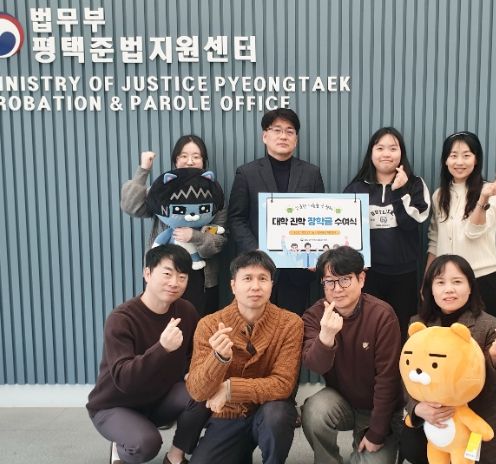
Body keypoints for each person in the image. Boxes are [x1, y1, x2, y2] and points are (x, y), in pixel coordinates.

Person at [183, 251, 303, 464]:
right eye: (247, 278)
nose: (255, 286)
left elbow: (283, 384)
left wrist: (229, 389)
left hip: (267, 413)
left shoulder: (290, 323)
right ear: (233, 285)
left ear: (272, 284)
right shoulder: (209, 324)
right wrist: (218, 359)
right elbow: (197, 391)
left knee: (278, 413)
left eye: (263, 278)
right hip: (227, 417)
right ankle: (239, 457)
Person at [400, 254, 496, 464]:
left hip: (472, 429)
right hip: (436, 425)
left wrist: (494, 358)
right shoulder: (419, 324)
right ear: (429, 290)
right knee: (411, 442)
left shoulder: (488, 326)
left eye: (457, 281)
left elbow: (494, 396)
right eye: (440, 282)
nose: (448, 289)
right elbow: (407, 375)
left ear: (470, 287)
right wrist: (418, 408)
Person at [86, 245, 210, 464]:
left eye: (182, 276)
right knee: (145, 444)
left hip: (158, 398)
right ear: (147, 273)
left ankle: (175, 458)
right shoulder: (121, 319)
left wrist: (194, 371)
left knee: (201, 392)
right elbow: (123, 378)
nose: (174, 282)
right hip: (115, 403)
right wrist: (161, 349)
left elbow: (193, 356)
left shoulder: (186, 311)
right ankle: (121, 454)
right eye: (167, 274)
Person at [301, 246, 403, 464]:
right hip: (343, 401)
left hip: (379, 409)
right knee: (314, 409)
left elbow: (388, 380)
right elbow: (315, 366)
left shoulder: (382, 315)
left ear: (361, 278)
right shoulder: (315, 315)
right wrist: (326, 337)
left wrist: (377, 433)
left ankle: (373, 448)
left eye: (345, 279)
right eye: (330, 281)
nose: (337, 288)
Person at [228, 108, 325, 315]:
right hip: (259, 269)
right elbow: (236, 218)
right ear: (265, 136)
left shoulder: (311, 173)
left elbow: (319, 218)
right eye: (277, 130)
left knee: (294, 324)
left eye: (289, 131)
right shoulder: (247, 173)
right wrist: (256, 249)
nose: (283, 136)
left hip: (298, 270)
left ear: (296, 139)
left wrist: (314, 254)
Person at [121, 134, 227, 317]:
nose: (190, 161)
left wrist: (195, 237)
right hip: (163, 272)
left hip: (202, 276)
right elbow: (132, 206)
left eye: (196, 156)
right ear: (175, 161)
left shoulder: (214, 193)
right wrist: (144, 169)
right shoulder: (163, 191)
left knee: (200, 325)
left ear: (203, 161)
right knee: (162, 325)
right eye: (183, 156)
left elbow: (220, 240)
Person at [344, 127, 430, 342]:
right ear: (371, 153)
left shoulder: (415, 184)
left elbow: (412, 223)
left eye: (393, 148)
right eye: (380, 148)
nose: (386, 154)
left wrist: (399, 191)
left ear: (401, 153)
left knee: (402, 330)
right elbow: (345, 232)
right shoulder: (356, 188)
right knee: (368, 331)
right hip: (367, 274)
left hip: (404, 274)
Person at [426, 131, 496, 317]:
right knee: (446, 335)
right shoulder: (439, 195)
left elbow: (473, 231)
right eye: (453, 155)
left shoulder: (490, 191)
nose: (459, 162)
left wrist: (483, 198)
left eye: (466, 155)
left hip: (481, 279)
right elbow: (434, 241)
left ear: (476, 160)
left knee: (481, 335)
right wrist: (427, 281)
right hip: (446, 282)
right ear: (445, 161)